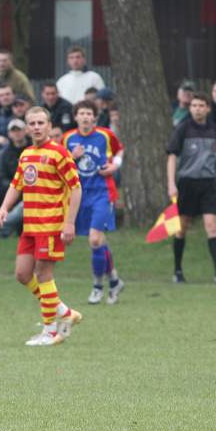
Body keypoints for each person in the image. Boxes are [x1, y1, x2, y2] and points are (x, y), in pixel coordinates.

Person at [0, 106, 83, 346]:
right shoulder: (26, 154)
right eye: (32, 123)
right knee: (23, 274)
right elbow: (16, 185)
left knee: (43, 274)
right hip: (30, 226)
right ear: (27, 127)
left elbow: (76, 188)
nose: (36, 127)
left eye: (40, 123)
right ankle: (64, 312)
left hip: (51, 225)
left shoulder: (59, 153)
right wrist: (4, 207)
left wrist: (69, 223)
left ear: (49, 126)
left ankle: (50, 332)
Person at [166, 92, 216, 284]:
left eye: (201, 106)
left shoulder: (214, 130)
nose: (197, 109)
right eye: (194, 106)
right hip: (187, 183)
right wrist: (171, 183)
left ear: (207, 109)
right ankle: (177, 271)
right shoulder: (183, 129)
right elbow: (172, 155)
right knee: (181, 228)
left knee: (211, 226)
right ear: (190, 108)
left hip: (208, 183)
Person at [62, 101, 125, 305]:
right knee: (99, 241)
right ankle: (114, 280)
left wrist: (114, 166)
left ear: (95, 118)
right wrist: (72, 157)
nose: (85, 117)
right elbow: (61, 165)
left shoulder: (105, 135)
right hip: (79, 194)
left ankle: (97, 286)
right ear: (76, 117)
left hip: (102, 193)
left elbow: (120, 150)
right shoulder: (68, 138)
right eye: (82, 113)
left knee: (95, 240)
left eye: (89, 113)